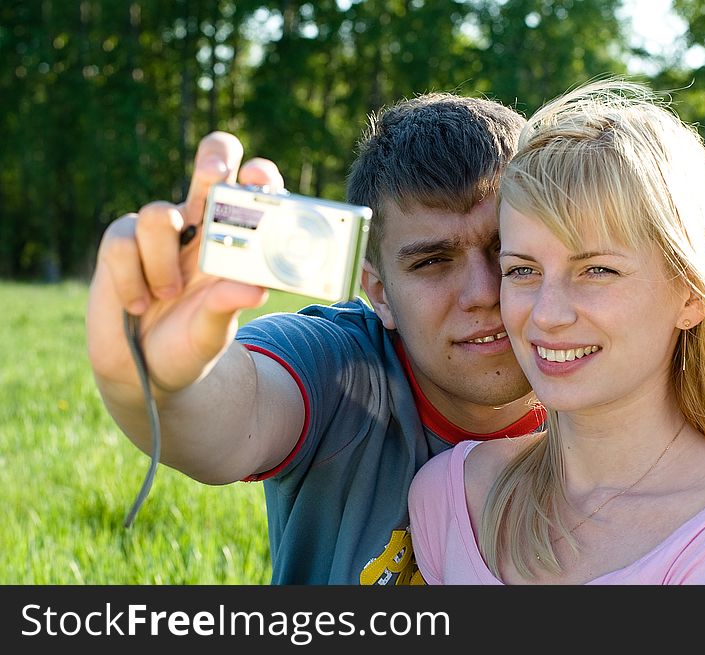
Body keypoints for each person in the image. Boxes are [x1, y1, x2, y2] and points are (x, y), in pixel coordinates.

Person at [408, 78, 705, 585]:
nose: (547, 314)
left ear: (691, 293)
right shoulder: (451, 497)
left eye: (597, 270)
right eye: (522, 270)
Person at [86, 92, 545, 585]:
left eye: (506, 249)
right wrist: (155, 384)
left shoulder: (610, 392)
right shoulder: (341, 369)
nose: (482, 293)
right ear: (379, 294)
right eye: (432, 262)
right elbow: (232, 415)